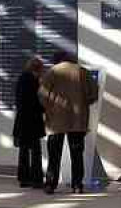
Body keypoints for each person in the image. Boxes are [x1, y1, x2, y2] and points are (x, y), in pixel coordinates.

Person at [40, 51, 98, 194]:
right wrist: (83, 104)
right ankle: (77, 185)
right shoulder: (83, 72)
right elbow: (93, 95)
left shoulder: (52, 72)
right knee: (77, 154)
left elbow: (42, 95)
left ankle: (50, 185)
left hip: (56, 120)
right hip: (78, 120)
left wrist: (50, 107)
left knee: (54, 154)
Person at [12, 55, 45, 187]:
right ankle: (37, 179)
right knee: (36, 151)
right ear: (38, 69)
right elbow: (37, 101)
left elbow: (19, 101)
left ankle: (23, 179)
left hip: (22, 120)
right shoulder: (34, 81)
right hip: (33, 121)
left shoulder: (21, 78)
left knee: (24, 150)